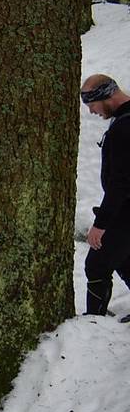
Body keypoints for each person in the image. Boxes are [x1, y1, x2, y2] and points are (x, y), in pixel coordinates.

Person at [80, 74, 130, 322]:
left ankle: (93, 322)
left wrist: (101, 224)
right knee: (123, 258)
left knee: (97, 263)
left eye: (92, 104)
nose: (91, 111)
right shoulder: (123, 121)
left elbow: (121, 181)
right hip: (124, 208)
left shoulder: (124, 127)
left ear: (105, 95)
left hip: (125, 210)